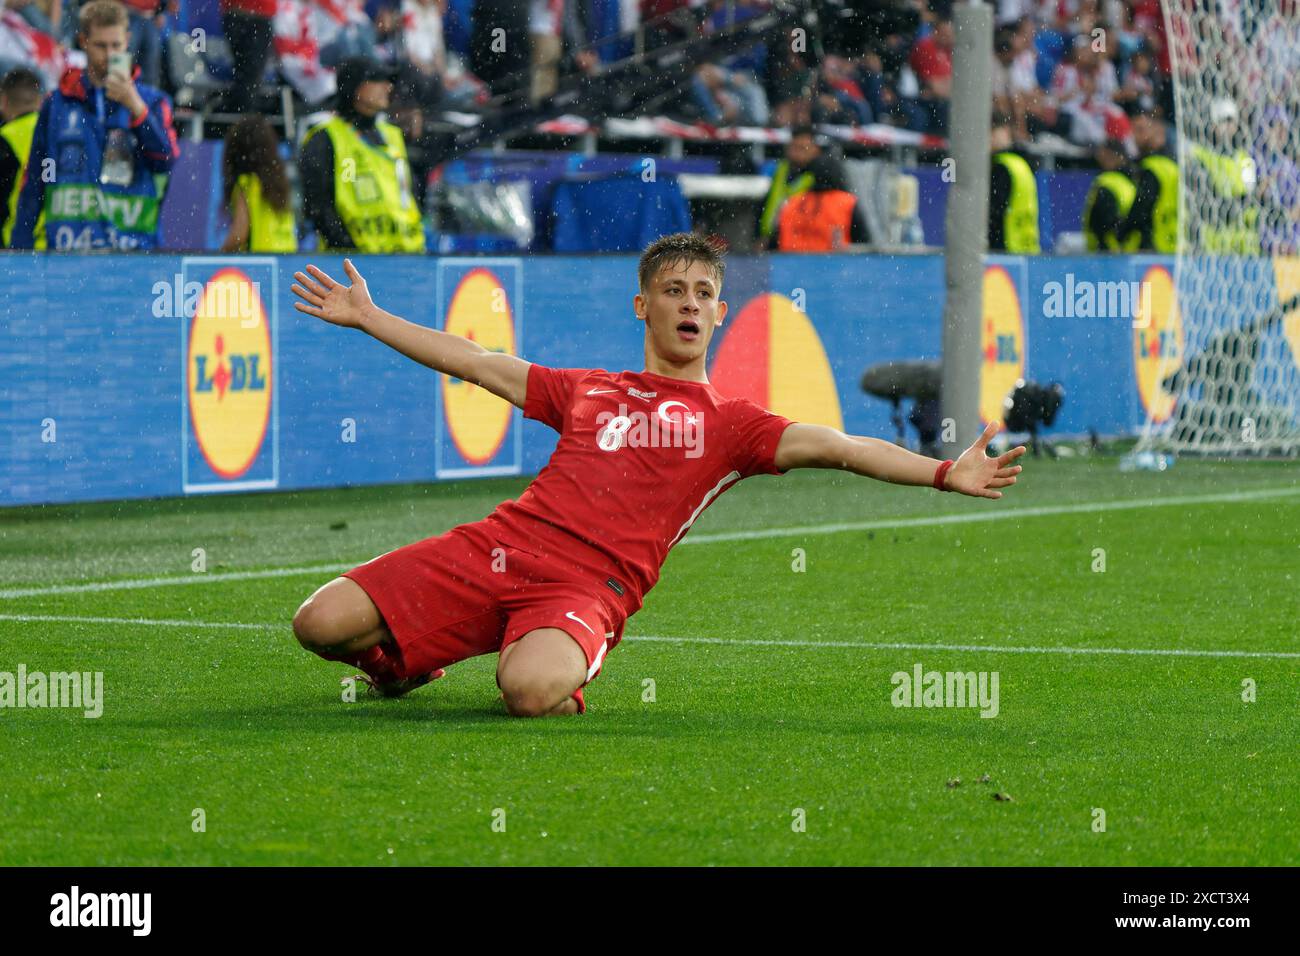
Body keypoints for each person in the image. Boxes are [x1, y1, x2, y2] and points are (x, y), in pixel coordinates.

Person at [288, 233, 1026, 717]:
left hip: (587, 586)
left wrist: (941, 473)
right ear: (645, 306)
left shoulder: (733, 424)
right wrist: (371, 318)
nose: (690, 304)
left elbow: (842, 445)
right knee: (317, 624)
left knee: (528, 693)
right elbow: (476, 361)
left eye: (704, 294)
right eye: (675, 290)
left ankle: (551, 654)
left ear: (719, 314)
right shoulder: (586, 389)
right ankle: (400, 667)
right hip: (498, 546)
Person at [10, 0, 179, 251]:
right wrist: (19, 252)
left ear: (128, 41)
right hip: (69, 252)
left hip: (133, 253)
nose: (110, 55)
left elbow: (164, 161)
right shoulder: (57, 104)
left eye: (117, 45)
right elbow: (34, 184)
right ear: (83, 41)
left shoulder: (153, 103)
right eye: (101, 46)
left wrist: (136, 108)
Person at [299, 57, 425, 253]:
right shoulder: (326, 137)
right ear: (355, 88)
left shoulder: (392, 135)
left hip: (406, 257)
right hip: (354, 262)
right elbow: (318, 206)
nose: (387, 86)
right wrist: (347, 247)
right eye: (377, 79)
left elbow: (410, 192)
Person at [220, 114, 296, 253]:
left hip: (260, 262)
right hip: (287, 258)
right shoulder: (278, 183)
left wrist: (218, 257)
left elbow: (239, 235)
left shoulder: (246, 184)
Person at [1118, 108, 1177, 253]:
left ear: (1158, 133)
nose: (1135, 136)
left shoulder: (1153, 168)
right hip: (1174, 243)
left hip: (1154, 246)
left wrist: (1122, 232)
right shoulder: (1173, 165)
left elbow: (1141, 209)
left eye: (1140, 130)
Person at [0, 66, 45, 248]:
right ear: (40, 99)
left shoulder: (5, 139)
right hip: (56, 245)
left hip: (14, 250)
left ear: (3, 100)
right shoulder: (53, 134)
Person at [988, 113, 1039, 254]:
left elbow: (994, 212)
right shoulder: (1022, 163)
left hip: (1004, 248)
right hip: (1027, 247)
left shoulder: (1002, 166)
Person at [1081, 139, 1138, 253]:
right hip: (1130, 250)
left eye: (1103, 155)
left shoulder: (1106, 182)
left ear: (1113, 156)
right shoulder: (1131, 184)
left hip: (1109, 252)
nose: (1099, 159)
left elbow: (1102, 223)